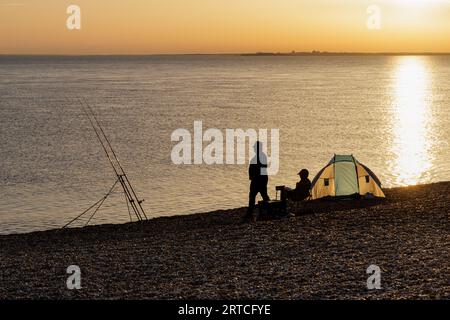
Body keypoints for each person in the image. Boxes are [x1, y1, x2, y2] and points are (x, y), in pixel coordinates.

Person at [245, 141, 270, 221]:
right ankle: (250, 213)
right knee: (253, 196)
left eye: (255, 147)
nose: (254, 149)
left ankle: (269, 210)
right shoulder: (257, 157)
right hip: (256, 179)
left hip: (259, 180)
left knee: (262, 195)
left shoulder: (262, 157)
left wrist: (255, 176)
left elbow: (262, 168)